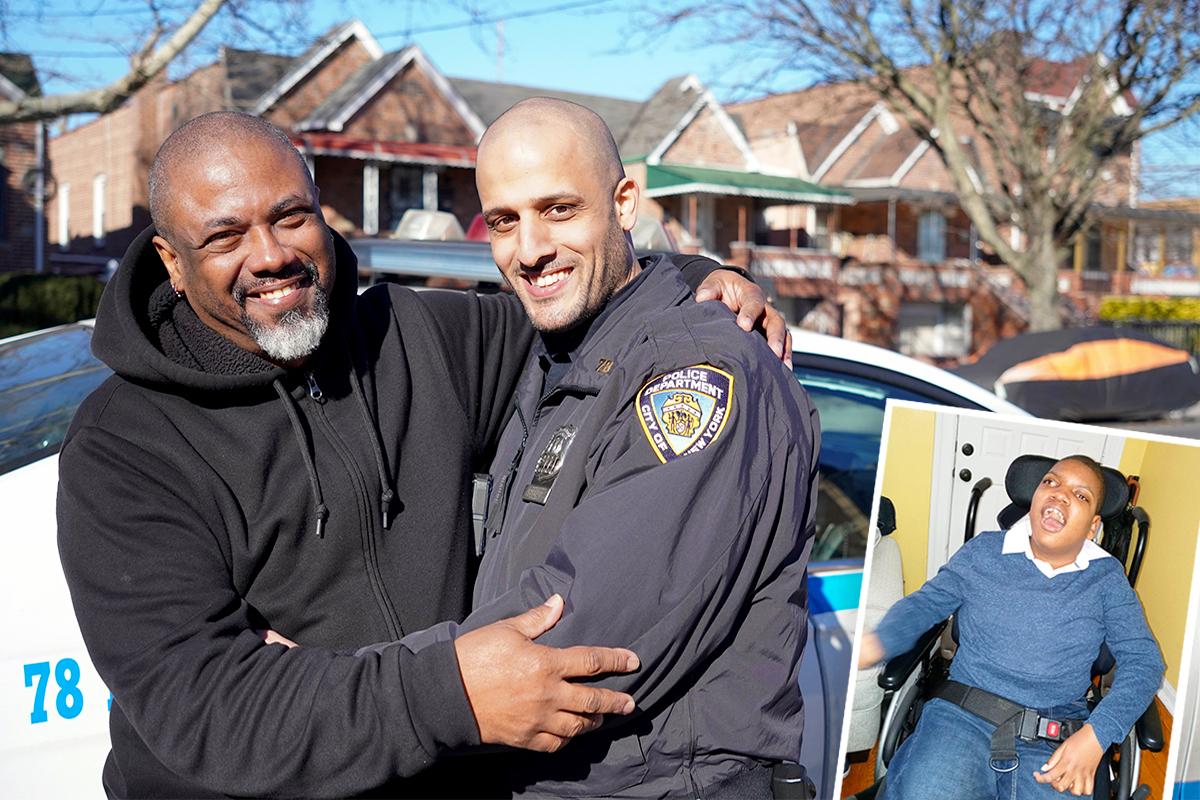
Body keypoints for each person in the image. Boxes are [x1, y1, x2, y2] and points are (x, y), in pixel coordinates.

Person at [55, 111, 784, 799]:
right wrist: (448, 693)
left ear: (320, 208)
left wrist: (694, 279)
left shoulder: (414, 337)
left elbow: (582, 307)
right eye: (225, 237)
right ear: (171, 263)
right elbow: (207, 709)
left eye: (290, 216)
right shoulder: (123, 446)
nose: (271, 255)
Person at [385, 98, 821, 798]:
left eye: (558, 209)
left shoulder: (695, 372)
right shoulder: (559, 357)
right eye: (505, 220)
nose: (529, 249)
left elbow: (576, 632)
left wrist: (354, 689)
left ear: (624, 203)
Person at [857, 455, 1165, 799]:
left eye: (1080, 495)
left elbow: (1144, 661)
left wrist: (1096, 735)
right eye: (1051, 482)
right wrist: (879, 640)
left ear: (1093, 527)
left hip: (1055, 733)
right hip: (962, 714)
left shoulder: (1107, 578)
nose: (1060, 494)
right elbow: (926, 603)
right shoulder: (984, 551)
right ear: (1034, 497)